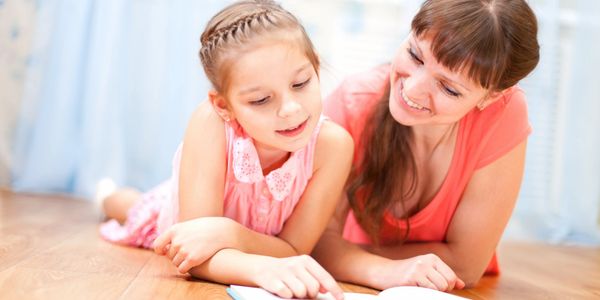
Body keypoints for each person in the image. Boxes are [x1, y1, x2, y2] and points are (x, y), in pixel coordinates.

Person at [99, 1, 353, 299]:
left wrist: (227, 232)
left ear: (316, 68)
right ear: (224, 106)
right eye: (260, 100)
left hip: (237, 237)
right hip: (177, 218)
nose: (290, 109)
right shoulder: (211, 122)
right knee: (131, 208)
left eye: (301, 83)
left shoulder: (334, 146)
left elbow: (294, 249)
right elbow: (194, 248)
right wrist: (260, 268)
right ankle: (104, 195)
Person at [312, 0, 540, 292]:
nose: (413, 89)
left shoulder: (504, 113)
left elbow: (466, 265)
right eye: (415, 56)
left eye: (448, 88)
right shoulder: (352, 102)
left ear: (491, 97)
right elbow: (316, 242)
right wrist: (386, 270)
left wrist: (346, 254)